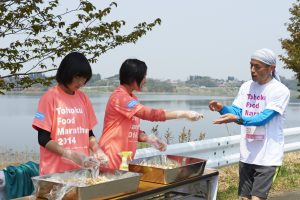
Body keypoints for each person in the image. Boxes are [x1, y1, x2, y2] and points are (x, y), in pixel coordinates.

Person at [209, 48, 290, 200]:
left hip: (268, 156)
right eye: (251, 66)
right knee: (243, 198)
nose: (252, 70)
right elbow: (236, 111)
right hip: (247, 154)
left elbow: (263, 118)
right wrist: (221, 108)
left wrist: (237, 119)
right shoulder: (246, 87)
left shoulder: (280, 90)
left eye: (257, 66)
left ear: (271, 68)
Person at [98, 58, 203, 170]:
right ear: (134, 78)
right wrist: (183, 114)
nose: (145, 80)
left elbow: (131, 130)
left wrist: (148, 139)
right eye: (144, 76)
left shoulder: (132, 98)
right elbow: (149, 114)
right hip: (110, 158)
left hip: (124, 160)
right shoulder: (120, 97)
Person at [32, 52, 108, 175]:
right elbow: (43, 138)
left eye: (84, 79)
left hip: (81, 171)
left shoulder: (83, 99)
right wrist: (69, 154)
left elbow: (89, 133)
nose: (81, 82)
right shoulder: (49, 98)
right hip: (54, 173)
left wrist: (97, 150)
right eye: (78, 77)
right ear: (67, 73)